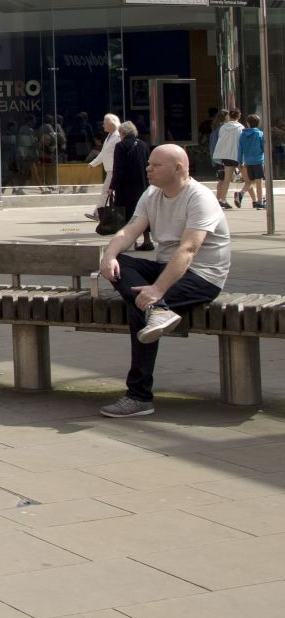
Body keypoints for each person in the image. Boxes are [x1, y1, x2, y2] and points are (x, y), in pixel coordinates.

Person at [98, 144, 230, 418]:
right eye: (149, 164)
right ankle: (158, 311)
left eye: (155, 165)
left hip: (202, 276)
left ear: (178, 168)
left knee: (139, 305)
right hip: (165, 268)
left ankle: (139, 396)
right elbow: (131, 230)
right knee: (122, 266)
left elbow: (189, 250)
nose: (148, 168)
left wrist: (158, 290)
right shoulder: (152, 194)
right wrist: (109, 255)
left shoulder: (200, 198)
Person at [110, 120, 153, 252]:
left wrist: (112, 186)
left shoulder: (120, 146)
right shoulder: (144, 145)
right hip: (143, 184)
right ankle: (147, 240)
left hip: (126, 186)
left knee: (125, 214)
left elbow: (118, 169)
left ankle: (128, 241)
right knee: (144, 212)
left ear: (122, 133)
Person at [85, 113, 121, 220]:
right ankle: (100, 213)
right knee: (108, 191)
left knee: (106, 190)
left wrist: (93, 163)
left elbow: (107, 153)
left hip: (115, 169)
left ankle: (98, 213)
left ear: (111, 124)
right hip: (110, 169)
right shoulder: (109, 136)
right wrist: (93, 163)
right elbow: (103, 153)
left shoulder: (118, 136)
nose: (103, 126)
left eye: (105, 123)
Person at [213, 107, 244, 210]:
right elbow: (241, 143)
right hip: (237, 155)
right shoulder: (241, 128)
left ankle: (223, 199)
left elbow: (221, 140)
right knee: (248, 178)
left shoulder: (223, 128)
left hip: (226, 156)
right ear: (239, 117)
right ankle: (254, 199)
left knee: (226, 179)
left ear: (229, 116)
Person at [235, 113, 267, 210]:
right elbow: (263, 147)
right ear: (258, 123)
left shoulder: (242, 135)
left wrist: (239, 162)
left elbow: (240, 149)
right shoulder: (260, 134)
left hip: (247, 161)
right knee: (259, 182)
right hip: (258, 160)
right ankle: (260, 202)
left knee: (250, 181)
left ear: (248, 124)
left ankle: (241, 193)